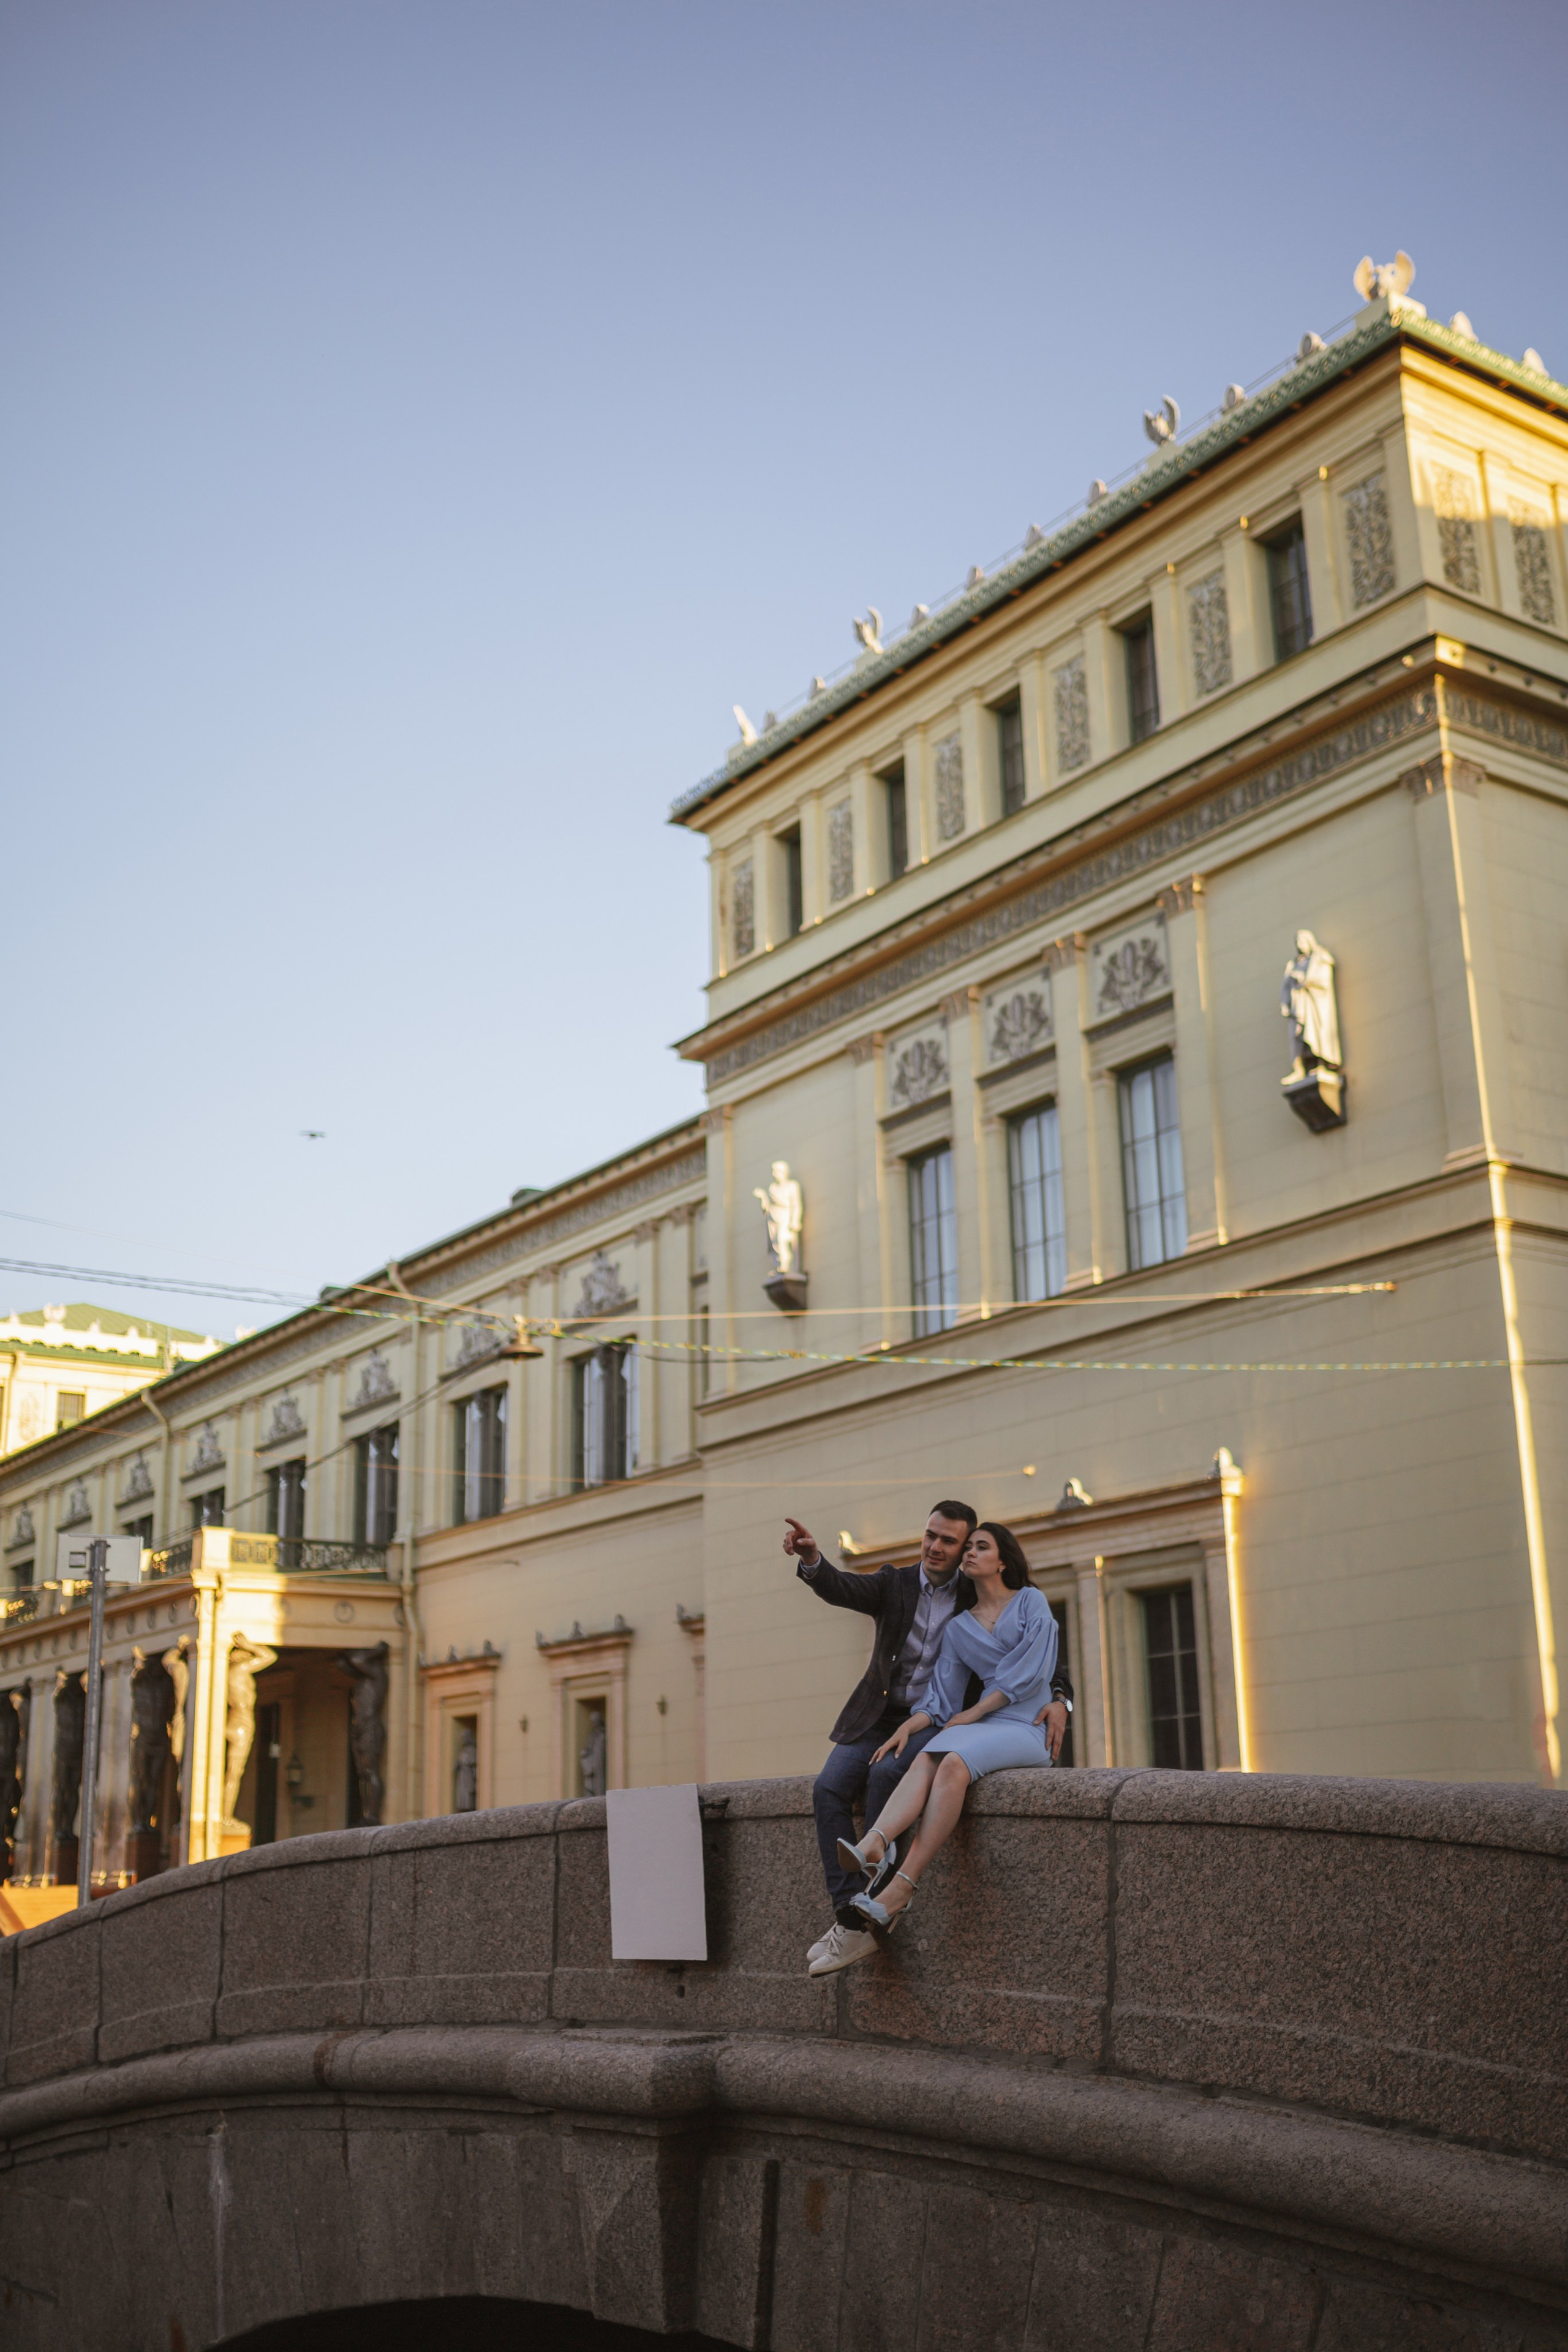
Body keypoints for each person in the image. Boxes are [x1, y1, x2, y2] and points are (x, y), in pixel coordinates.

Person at [786, 1504, 1073, 1978]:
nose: (936, 1547)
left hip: (967, 1722)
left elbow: (1041, 1656)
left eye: (952, 1542)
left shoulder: (987, 1592)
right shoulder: (895, 1584)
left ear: (970, 1551)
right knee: (829, 1787)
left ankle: (879, 1899)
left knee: (887, 1774)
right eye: (930, 1536)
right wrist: (814, 1562)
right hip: (892, 1717)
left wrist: (1061, 1699)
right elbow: (844, 1588)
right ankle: (849, 1911)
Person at [835, 1521, 1056, 1948]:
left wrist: (975, 1711)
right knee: (930, 1754)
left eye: (981, 1547)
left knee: (953, 1759)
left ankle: (901, 1885)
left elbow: (1032, 1674)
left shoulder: (1031, 1601)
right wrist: (909, 1725)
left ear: (1003, 1560)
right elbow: (940, 1698)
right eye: (968, 1547)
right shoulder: (959, 1628)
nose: (970, 1553)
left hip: (1029, 1726)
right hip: (988, 1726)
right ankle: (876, 1846)